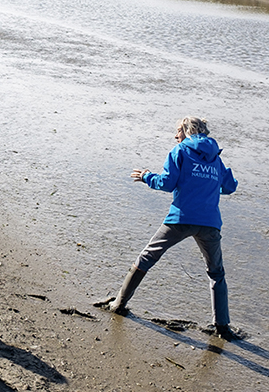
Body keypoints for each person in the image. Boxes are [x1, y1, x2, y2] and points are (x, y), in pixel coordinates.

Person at [98, 116, 239, 340]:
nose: (176, 136)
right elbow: (230, 186)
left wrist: (146, 177)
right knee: (216, 273)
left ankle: (119, 303)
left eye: (178, 131)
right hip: (210, 223)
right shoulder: (216, 158)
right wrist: (208, 187)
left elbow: (167, 183)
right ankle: (222, 326)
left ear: (187, 131)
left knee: (146, 258)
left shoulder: (180, 151)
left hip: (181, 219)